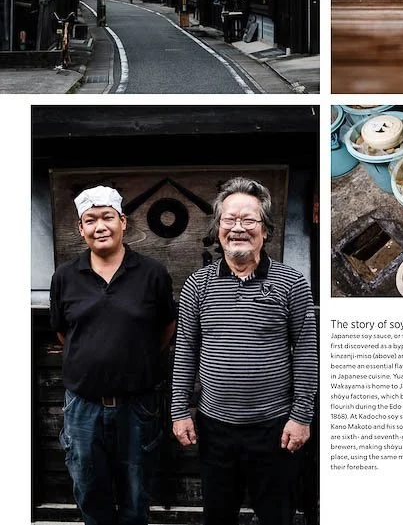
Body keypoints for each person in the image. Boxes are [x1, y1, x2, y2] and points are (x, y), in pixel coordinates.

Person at [170, 178, 317, 525]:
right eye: (229, 220)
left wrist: (302, 417)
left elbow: (308, 350)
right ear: (218, 229)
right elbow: (186, 350)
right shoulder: (198, 284)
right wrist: (179, 410)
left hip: (276, 429)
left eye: (249, 220)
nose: (238, 228)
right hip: (215, 428)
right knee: (219, 516)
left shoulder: (292, 283)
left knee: (276, 516)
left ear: (265, 230)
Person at [50, 185, 176, 525]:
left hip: (138, 406)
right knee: (90, 493)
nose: (99, 226)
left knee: (137, 494)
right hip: (82, 407)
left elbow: (166, 328)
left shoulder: (152, 274)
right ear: (80, 228)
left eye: (107, 217)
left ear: (124, 222)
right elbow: (64, 332)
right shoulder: (64, 277)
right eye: (90, 220)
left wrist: (135, 359)